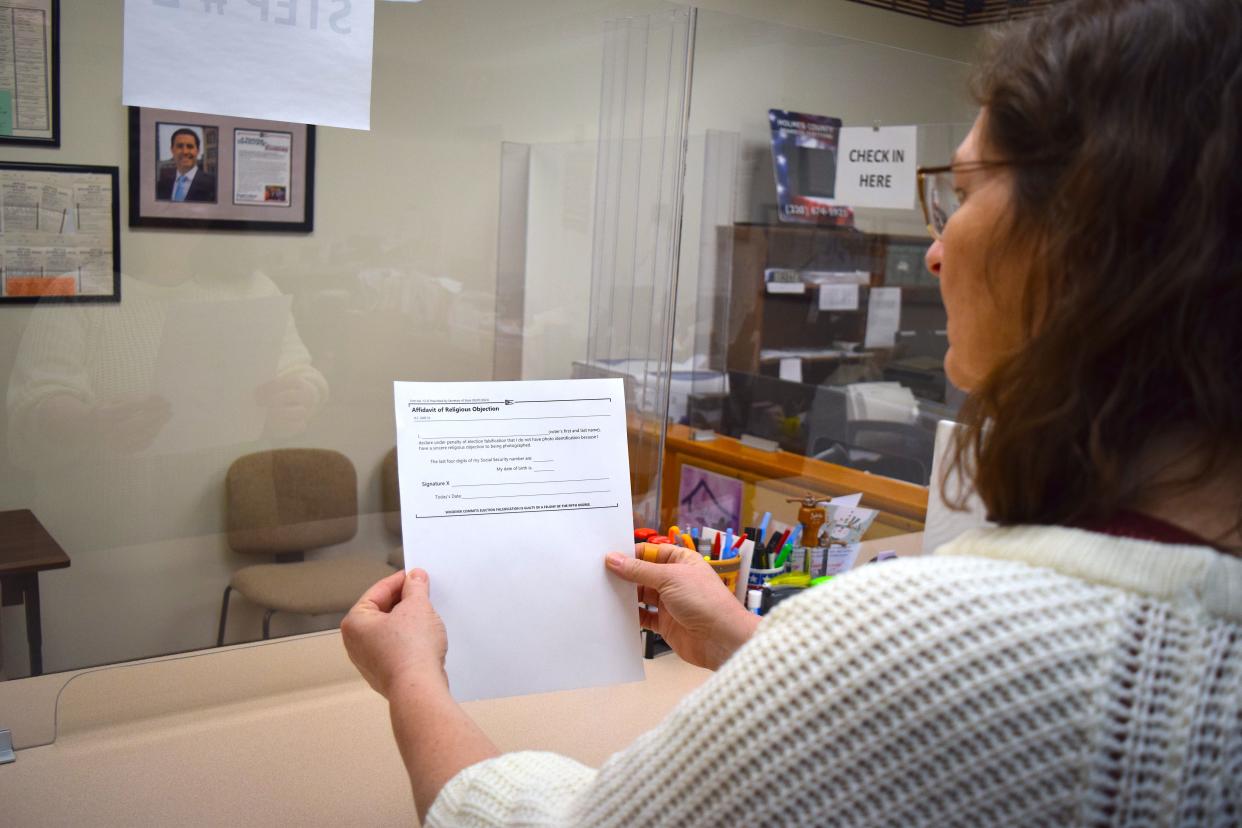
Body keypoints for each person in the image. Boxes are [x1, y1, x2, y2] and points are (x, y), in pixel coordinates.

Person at [342, 0, 1241, 824]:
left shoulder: (941, 637)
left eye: (961, 195)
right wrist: (752, 643)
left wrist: (414, 678)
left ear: (1083, 233)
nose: (932, 254)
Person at [155, 127, 218, 203]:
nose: (185, 151)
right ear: (172, 150)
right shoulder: (161, 185)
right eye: (180, 146)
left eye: (190, 146)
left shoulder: (214, 184)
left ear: (197, 151)